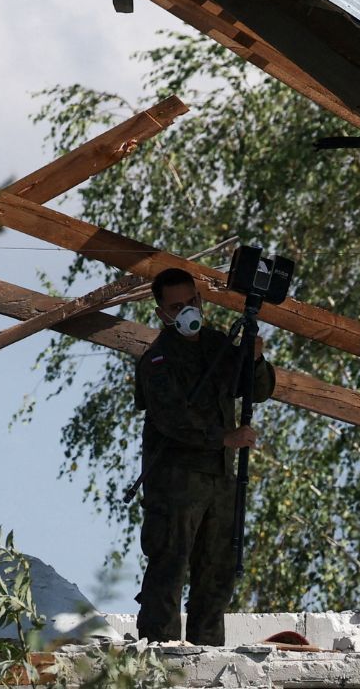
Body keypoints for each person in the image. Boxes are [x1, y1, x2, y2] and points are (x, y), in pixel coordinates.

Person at [132, 266, 274, 645]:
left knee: (217, 570)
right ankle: (159, 655)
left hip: (220, 479)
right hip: (176, 482)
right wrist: (224, 438)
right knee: (170, 565)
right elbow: (171, 419)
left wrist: (255, 360)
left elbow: (255, 390)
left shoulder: (216, 345)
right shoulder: (157, 360)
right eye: (176, 306)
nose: (187, 311)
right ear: (161, 312)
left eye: (192, 301)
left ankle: (207, 652)